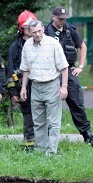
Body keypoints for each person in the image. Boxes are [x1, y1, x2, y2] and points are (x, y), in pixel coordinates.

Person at [44, 6, 93, 145]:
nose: (62, 21)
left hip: (69, 71)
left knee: (77, 104)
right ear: (53, 17)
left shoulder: (70, 31)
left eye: (64, 19)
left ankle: (88, 136)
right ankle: (47, 138)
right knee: (49, 105)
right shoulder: (45, 32)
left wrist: (81, 66)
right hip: (51, 72)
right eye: (60, 19)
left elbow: (82, 46)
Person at [19, 20, 69, 155]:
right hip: (35, 86)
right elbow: (25, 69)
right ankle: (40, 150)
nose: (38, 34)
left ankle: (51, 152)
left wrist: (64, 87)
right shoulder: (27, 46)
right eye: (34, 32)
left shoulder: (53, 44)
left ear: (43, 29)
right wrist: (23, 88)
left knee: (53, 123)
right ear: (29, 32)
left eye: (40, 31)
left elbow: (64, 67)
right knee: (38, 122)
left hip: (52, 85)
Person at [7, 10, 38, 150]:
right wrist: (13, 91)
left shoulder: (43, 43)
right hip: (23, 87)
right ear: (21, 28)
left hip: (41, 84)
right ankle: (30, 144)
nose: (30, 29)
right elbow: (11, 72)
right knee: (28, 115)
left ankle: (45, 143)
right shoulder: (15, 48)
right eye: (27, 26)